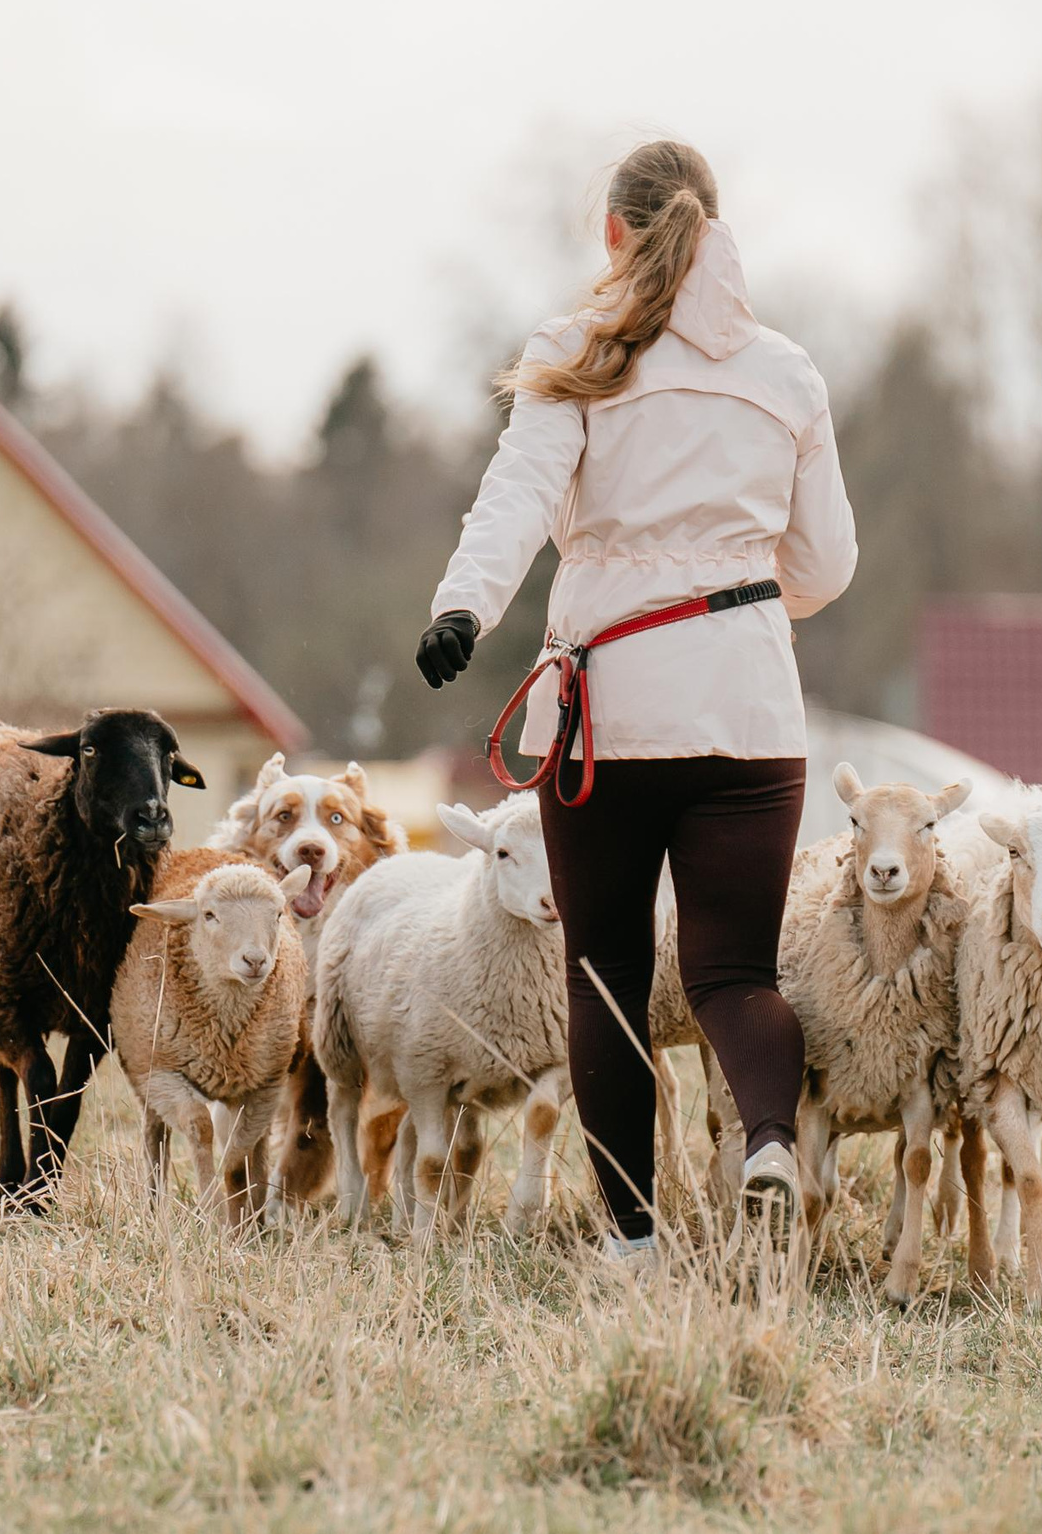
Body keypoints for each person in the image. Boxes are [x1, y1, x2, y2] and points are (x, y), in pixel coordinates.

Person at [416, 139, 858, 1258]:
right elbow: (828, 565)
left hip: (609, 715)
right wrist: (748, 603)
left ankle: (635, 1246)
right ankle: (765, 1138)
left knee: (605, 972)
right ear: (715, 225)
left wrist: (463, 609)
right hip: (753, 714)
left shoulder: (580, 351)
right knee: (732, 973)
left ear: (612, 233)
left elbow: (517, 494)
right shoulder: (787, 373)